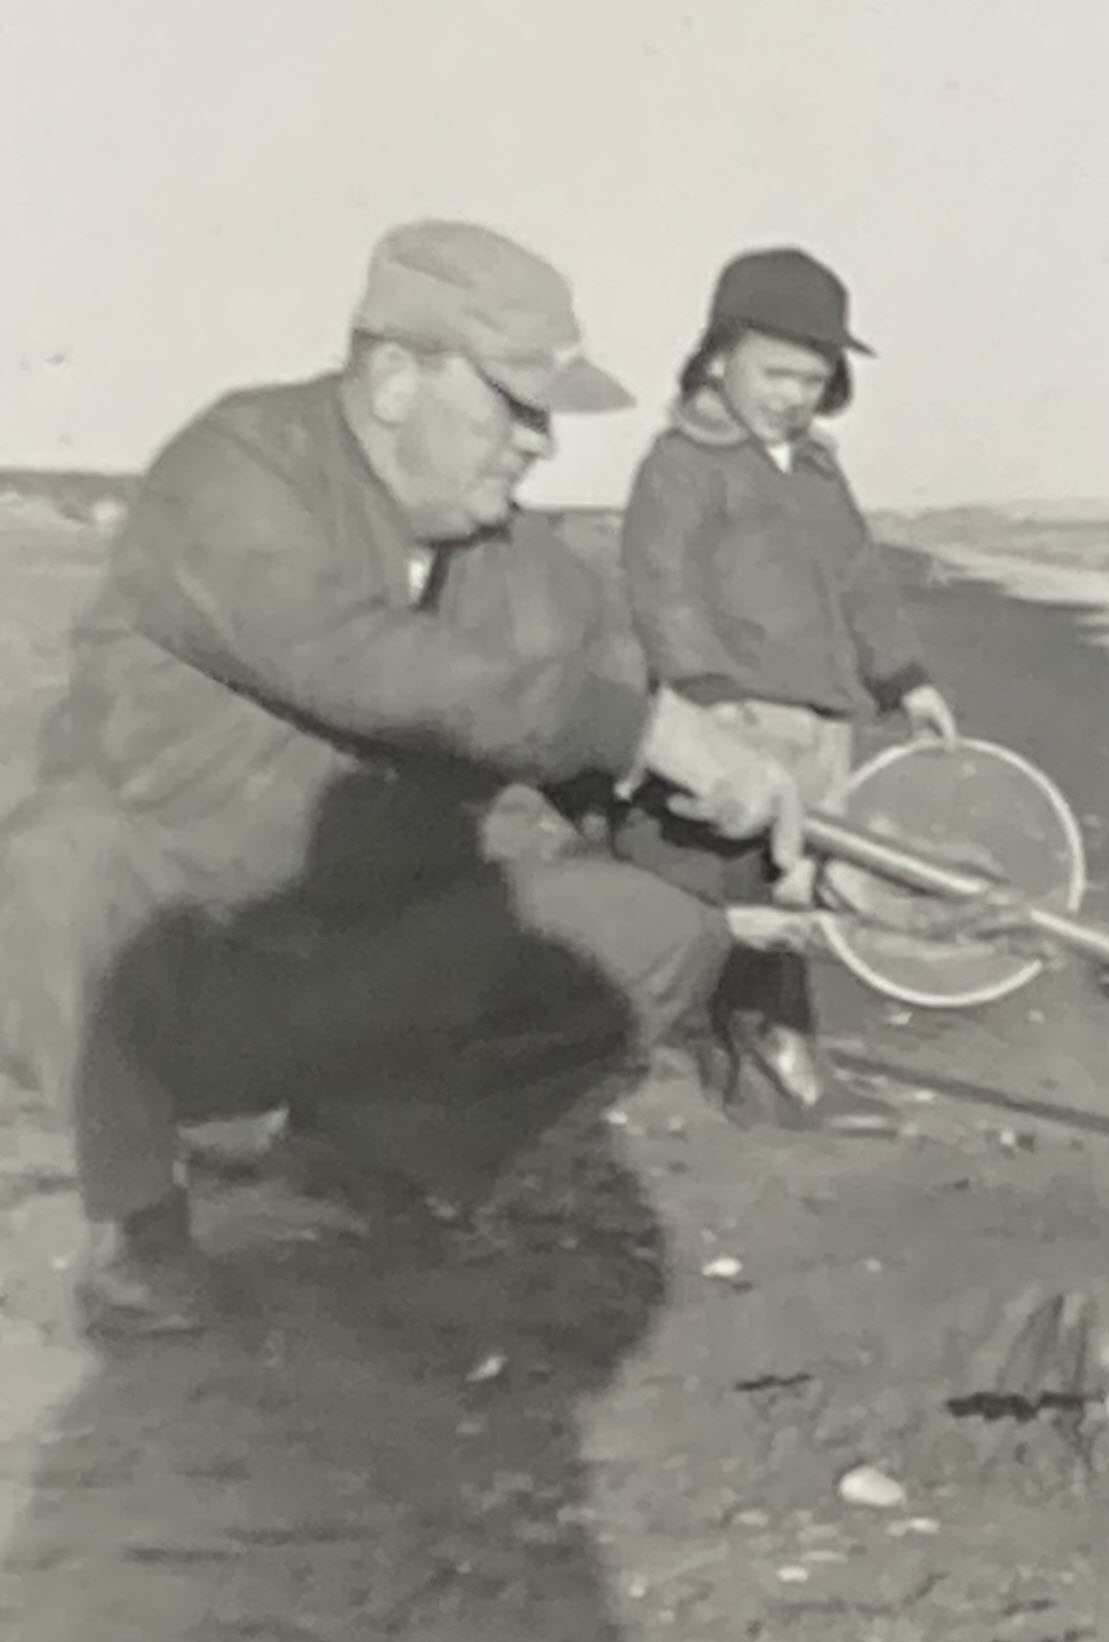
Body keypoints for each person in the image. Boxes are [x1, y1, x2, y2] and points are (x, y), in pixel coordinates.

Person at [0, 221, 810, 1337]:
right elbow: (360, 660)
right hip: (165, 972)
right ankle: (136, 1222)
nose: (537, 445)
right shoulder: (237, 467)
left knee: (659, 925)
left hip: (353, 966)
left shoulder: (535, 580)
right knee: (59, 860)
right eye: (514, 406)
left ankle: (361, 1166)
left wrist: (782, 861)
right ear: (392, 379)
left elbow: (614, 798)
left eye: (547, 416)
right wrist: (639, 724)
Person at [586, 246, 960, 1133]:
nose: (793, 395)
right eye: (776, 373)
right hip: (731, 716)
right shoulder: (685, 463)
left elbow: (860, 581)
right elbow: (662, 583)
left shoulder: (817, 470)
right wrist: (707, 695)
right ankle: (773, 1066)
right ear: (719, 359)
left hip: (819, 720)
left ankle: (762, 1053)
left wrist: (904, 678)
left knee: (792, 883)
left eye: (813, 378)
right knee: (735, 885)